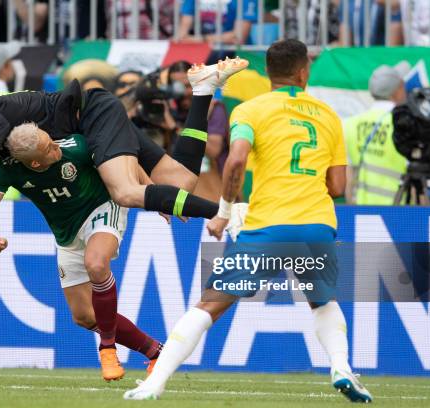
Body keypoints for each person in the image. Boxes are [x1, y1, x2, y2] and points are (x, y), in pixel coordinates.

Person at [124, 39, 372, 403]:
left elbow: (236, 161)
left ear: (269, 73)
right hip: (318, 224)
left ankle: (153, 383)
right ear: (304, 71)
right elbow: (336, 185)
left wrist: (224, 213)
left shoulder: (251, 110)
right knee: (322, 301)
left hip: (267, 225)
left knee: (209, 305)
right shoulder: (328, 114)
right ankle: (341, 367)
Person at [0, 57, 248, 258]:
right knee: (180, 183)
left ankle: (227, 213)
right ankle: (202, 90)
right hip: (90, 125)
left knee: (126, 193)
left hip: (92, 115)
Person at [0, 124, 163, 381]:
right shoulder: (8, 170)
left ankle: (107, 349)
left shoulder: (77, 146)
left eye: (51, 140)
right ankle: (157, 353)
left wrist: (157, 195)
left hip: (102, 207)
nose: (56, 147)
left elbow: (125, 162)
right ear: (36, 164)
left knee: (96, 264)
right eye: (49, 148)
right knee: (84, 316)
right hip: (67, 234)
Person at [344, 63, 408, 205]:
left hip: (361, 212)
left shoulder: (351, 124)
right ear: (396, 90)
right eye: (402, 85)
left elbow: (348, 177)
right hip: (400, 214)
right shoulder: (404, 126)